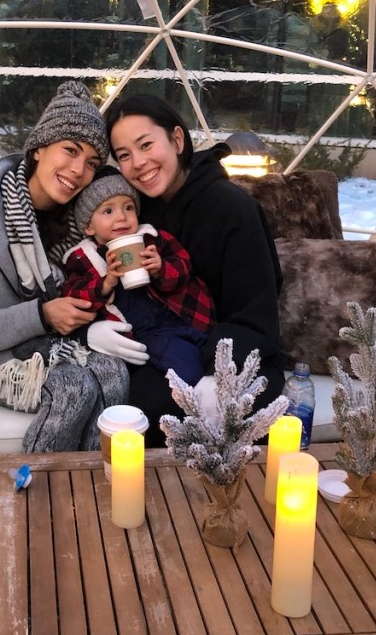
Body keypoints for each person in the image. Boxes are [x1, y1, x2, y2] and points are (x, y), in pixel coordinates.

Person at [0, 81, 138, 452]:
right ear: (39, 149)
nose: (78, 170)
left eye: (91, 162)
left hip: (58, 344)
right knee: (74, 387)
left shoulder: (79, 220)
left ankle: (96, 489)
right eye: (70, 150)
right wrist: (41, 316)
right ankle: (37, 500)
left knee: (113, 371)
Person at [104, 93, 286, 445]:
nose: (138, 163)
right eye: (124, 155)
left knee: (213, 411)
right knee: (138, 413)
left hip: (241, 353)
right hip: (163, 348)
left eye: (145, 145)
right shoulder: (135, 212)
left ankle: (227, 500)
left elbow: (257, 315)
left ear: (176, 139)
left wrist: (214, 374)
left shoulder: (234, 209)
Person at [60, 166, 215, 387]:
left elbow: (184, 267)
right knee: (184, 363)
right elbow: (73, 294)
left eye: (129, 207)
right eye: (108, 211)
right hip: (144, 333)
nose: (122, 217)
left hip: (178, 314)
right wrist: (107, 283)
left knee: (213, 350)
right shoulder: (83, 259)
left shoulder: (152, 238)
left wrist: (160, 268)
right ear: (88, 226)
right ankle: (199, 399)